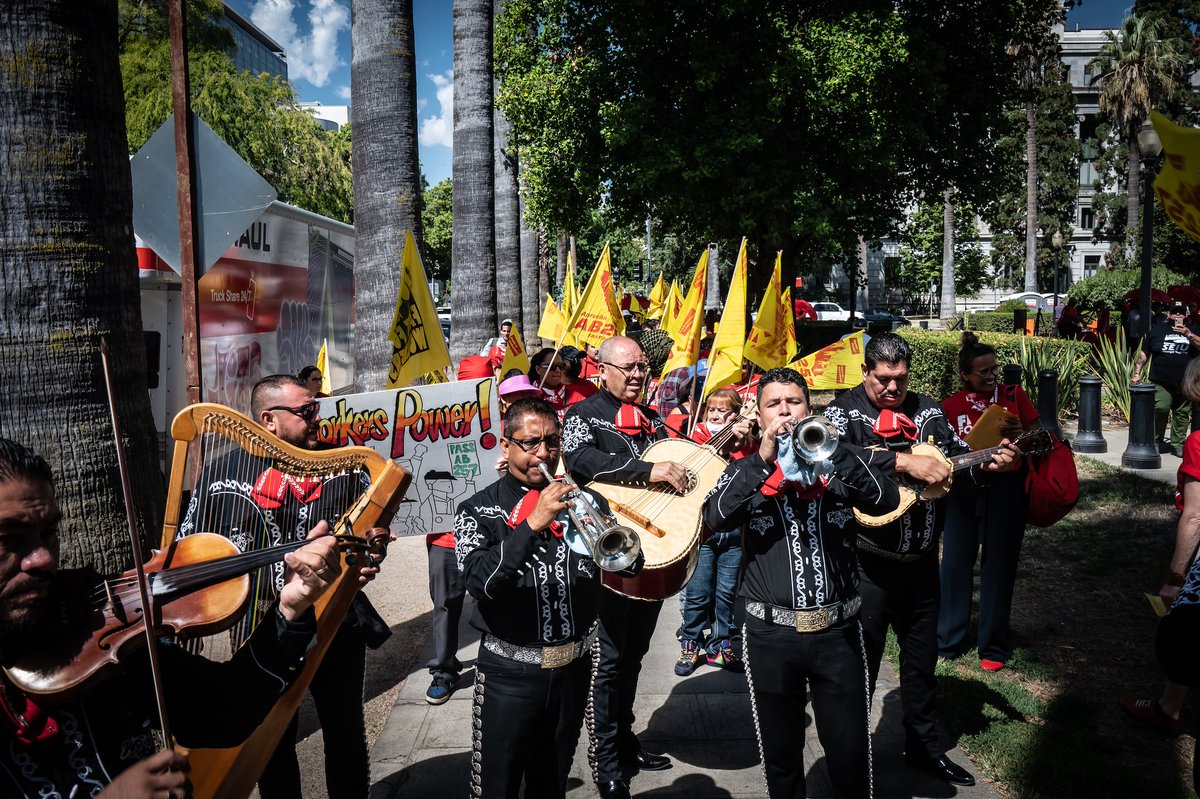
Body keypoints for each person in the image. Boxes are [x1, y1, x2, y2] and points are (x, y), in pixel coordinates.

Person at [0, 437, 377, 797]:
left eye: (49, 532)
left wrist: (290, 608)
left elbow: (222, 713)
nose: (44, 558)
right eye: (9, 537)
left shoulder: (89, 628)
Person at [178, 374, 392, 799]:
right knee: (271, 740)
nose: (317, 418)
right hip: (261, 626)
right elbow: (192, 546)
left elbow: (370, 540)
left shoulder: (347, 467)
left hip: (336, 621)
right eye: (306, 411)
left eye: (316, 408)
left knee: (345, 730)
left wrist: (371, 556)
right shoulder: (223, 473)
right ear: (268, 420)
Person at [823, 332, 1018, 788]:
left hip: (923, 564)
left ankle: (923, 748)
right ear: (867, 372)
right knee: (859, 671)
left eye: (901, 379)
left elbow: (952, 458)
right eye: (883, 380)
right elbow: (826, 454)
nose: (893, 389)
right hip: (867, 567)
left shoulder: (929, 410)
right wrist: (902, 463)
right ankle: (853, 761)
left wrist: (988, 463)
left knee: (921, 666)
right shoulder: (843, 411)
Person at [701, 368, 900, 798]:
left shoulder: (838, 462)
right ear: (758, 414)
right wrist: (762, 461)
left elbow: (885, 499)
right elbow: (714, 518)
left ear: (810, 408)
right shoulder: (743, 470)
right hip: (771, 636)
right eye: (774, 404)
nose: (785, 411)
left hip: (839, 634)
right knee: (782, 755)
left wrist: (836, 453)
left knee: (849, 752)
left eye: (793, 402)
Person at [454, 398, 609, 798]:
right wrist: (532, 525)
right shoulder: (476, 510)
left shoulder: (583, 498)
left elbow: (626, 563)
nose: (544, 453)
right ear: (506, 447)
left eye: (552, 442)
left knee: (550, 784)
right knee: (497, 786)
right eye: (531, 443)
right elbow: (480, 583)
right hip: (509, 674)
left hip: (573, 669)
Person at [562, 335, 689, 799]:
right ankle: (607, 759)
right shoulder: (581, 416)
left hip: (651, 554)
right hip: (608, 557)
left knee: (634, 656)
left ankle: (626, 738)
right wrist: (646, 471)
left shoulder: (655, 422)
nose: (637, 374)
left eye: (642, 367)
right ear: (602, 370)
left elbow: (675, 469)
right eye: (628, 367)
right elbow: (580, 461)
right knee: (610, 662)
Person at [938, 332, 1041, 671]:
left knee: (999, 565)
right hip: (965, 489)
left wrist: (1018, 439)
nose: (991, 375)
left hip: (1007, 489)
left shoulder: (1014, 396)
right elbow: (944, 449)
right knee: (955, 563)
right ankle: (948, 638)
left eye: (993, 368)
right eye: (982, 371)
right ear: (966, 374)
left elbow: (1042, 437)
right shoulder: (950, 406)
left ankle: (993, 646)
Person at [1120, 356, 1200, 735]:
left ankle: (1169, 709)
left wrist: (1175, 577)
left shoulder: (1198, 444)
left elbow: (1196, 517)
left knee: (1185, 630)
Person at [675, 387, 754, 676]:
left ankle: (720, 646)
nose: (717, 415)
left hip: (734, 530)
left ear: (737, 414)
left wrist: (745, 436)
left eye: (724, 411)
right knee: (697, 594)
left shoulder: (747, 442)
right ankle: (690, 643)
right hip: (703, 530)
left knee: (726, 594)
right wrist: (723, 436)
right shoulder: (695, 436)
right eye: (712, 410)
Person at [1133, 304, 1200, 458]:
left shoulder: (1194, 329)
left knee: (1182, 413)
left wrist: (1189, 335)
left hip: (1186, 380)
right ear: (1169, 314)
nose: (1178, 316)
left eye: (1181, 313)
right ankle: (1155, 441)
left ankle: (1177, 444)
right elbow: (1145, 353)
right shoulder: (1157, 330)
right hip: (1161, 379)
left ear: (1186, 315)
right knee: (1160, 408)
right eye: (1174, 313)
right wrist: (1137, 372)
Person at [530, 347, 595, 420]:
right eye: (552, 366)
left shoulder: (578, 398)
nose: (557, 370)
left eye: (561, 366)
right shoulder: (529, 397)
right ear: (538, 369)